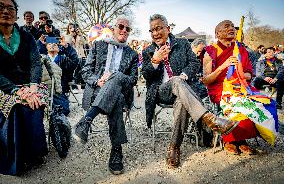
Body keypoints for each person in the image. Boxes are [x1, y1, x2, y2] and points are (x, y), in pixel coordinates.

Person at [142, 14, 238, 168]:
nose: (155, 33)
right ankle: (209, 119)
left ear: (168, 28)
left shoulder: (182, 43)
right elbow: (146, 75)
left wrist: (184, 75)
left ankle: (174, 147)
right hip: (162, 92)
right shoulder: (148, 50)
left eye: (159, 28)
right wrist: (155, 60)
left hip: (183, 92)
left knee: (181, 101)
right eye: (152, 30)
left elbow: (194, 64)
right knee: (175, 81)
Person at [74, 17, 138, 175]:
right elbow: (85, 71)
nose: (124, 30)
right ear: (114, 28)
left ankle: (86, 120)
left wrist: (114, 78)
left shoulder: (132, 54)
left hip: (121, 92)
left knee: (116, 83)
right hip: (96, 91)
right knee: (115, 96)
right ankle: (116, 151)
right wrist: (98, 81)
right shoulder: (98, 45)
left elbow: (133, 80)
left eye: (127, 29)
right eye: (121, 27)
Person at [202, 20, 278, 154]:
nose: (231, 28)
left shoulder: (241, 49)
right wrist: (223, 66)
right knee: (238, 102)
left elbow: (249, 74)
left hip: (241, 86)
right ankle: (229, 140)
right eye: (226, 27)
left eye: (232, 26)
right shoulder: (210, 51)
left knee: (264, 101)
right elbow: (206, 80)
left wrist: (241, 73)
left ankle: (242, 139)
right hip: (220, 90)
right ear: (217, 33)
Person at [0, 0, 48, 175]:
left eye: (10, 8)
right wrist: (16, 90)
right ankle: (12, 158)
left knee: (35, 102)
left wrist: (34, 86)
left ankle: (35, 153)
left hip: (30, 83)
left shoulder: (27, 37)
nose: (5, 11)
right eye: (0, 7)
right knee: (13, 105)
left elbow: (36, 63)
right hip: (3, 86)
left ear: (16, 14)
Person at [37, 36, 79, 115]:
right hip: (44, 89)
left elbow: (74, 61)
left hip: (59, 90)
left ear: (59, 48)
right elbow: (32, 54)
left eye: (55, 44)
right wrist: (39, 42)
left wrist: (66, 46)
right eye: (49, 44)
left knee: (64, 110)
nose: (52, 45)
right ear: (46, 47)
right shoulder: (42, 59)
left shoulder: (63, 59)